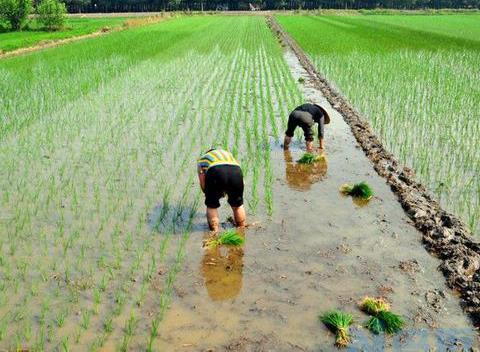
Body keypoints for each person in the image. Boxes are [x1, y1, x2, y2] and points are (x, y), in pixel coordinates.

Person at [197, 147, 246, 232]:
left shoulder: (203, 159)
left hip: (215, 170)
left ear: (208, 152)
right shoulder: (228, 154)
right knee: (238, 206)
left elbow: (202, 181)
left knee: (212, 206)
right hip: (236, 171)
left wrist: (209, 195)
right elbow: (241, 180)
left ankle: (214, 232)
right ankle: (241, 229)